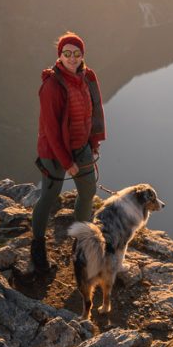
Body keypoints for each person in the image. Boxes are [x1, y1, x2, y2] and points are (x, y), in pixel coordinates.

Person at [31, 31, 106, 273]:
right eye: (67, 54)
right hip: (53, 151)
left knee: (88, 191)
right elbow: (51, 130)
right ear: (59, 56)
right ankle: (38, 246)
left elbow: (94, 110)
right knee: (49, 197)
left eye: (76, 53)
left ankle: (81, 241)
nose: (72, 58)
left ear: (82, 55)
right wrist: (67, 161)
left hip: (80, 144)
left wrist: (93, 141)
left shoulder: (87, 77)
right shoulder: (52, 86)